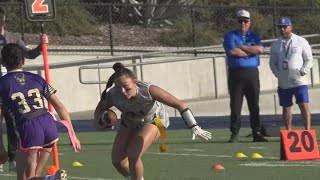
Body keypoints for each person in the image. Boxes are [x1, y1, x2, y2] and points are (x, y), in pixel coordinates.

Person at [94, 62, 212, 180]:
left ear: (134, 82)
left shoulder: (148, 90)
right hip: (130, 122)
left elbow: (180, 105)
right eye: (119, 88)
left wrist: (194, 125)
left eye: (126, 87)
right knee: (117, 161)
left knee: (133, 154)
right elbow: (100, 108)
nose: (123, 92)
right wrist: (100, 120)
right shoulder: (114, 95)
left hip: (155, 120)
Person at [0, 43, 81, 180]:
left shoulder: (2, 84)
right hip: (49, 124)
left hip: (29, 127)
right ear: (24, 60)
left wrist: (1, 147)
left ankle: (50, 179)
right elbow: (59, 106)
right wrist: (72, 134)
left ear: (2, 62)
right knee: (35, 175)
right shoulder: (37, 78)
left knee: (26, 178)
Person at [0, 7, 49, 172]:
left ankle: (13, 157)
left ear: (4, 18)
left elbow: (29, 54)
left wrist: (41, 45)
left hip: (12, 87)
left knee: (13, 122)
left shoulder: (12, 38)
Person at [223, 9, 268, 143]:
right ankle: (235, 133)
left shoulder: (254, 36)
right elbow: (233, 52)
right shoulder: (230, 36)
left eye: (245, 21)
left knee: (254, 104)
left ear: (249, 22)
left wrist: (242, 47)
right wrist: (250, 51)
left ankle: (256, 132)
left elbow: (259, 49)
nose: (243, 23)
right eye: (240, 21)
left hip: (252, 73)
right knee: (236, 104)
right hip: (236, 74)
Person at [269, 17, 313, 130]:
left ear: (291, 27)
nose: (282, 29)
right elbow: (272, 63)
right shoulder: (276, 45)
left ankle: (307, 131)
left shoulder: (301, 41)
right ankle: (289, 132)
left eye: (284, 27)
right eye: (280, 27)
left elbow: (309, 59)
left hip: (299, 81)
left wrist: (303, 71)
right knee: (286, 107)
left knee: (303, 105)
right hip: (284, 83)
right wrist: (278, 74)